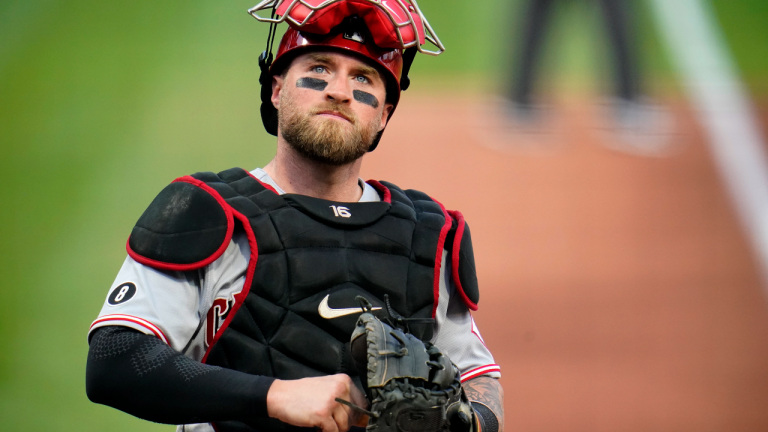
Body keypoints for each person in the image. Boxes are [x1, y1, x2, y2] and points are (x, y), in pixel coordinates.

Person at [85, 2, 504, 432]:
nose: (339, 91)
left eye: (363, 78)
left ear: (383, 115)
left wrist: (463, 422)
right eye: (319, 68)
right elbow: (114, 362)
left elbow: (480, 380)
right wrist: (275, 396)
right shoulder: (209, 213)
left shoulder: (426, 236)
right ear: (276, 89)